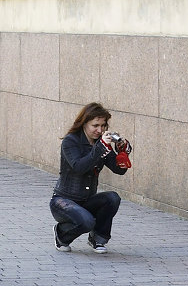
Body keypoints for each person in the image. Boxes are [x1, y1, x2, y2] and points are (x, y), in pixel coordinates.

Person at [50, 102, 129, 254]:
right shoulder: (70, 141)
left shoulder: (101, 144)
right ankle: (61, 234)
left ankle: (97, 238)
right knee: (86, 221)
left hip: (86, 201)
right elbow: (79, 167)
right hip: (63, 202)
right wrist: (101, 148)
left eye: (103, 125)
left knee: (112, 198)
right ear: (84, 123)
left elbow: (119, 170)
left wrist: (122, 153)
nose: (100, 130)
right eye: (95, 125)